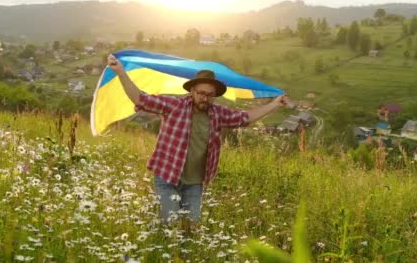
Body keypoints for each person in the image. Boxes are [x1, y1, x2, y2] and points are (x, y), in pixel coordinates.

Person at [107, 54, 288, 227]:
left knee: (191, 227)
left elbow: (245, 117)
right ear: (192, 91)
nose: (205, 98)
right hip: (167, 176)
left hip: (194, 182)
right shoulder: (174, 106)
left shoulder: (219, 113)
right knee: (170, 222)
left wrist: (274, 104)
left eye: (210, 94)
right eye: (201, 93)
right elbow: (141, 99)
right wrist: (121, 72)